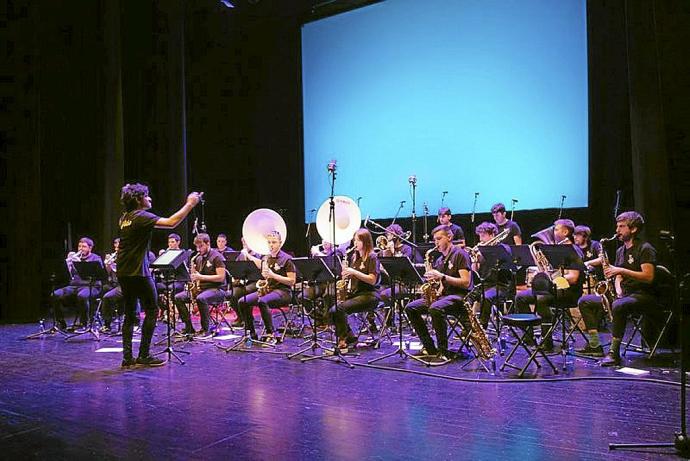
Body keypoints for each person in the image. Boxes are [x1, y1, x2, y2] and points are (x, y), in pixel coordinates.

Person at [117, 183, 201, 368]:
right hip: (138, 271)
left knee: (130, 314)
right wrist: (190, 203)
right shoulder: (141, 216)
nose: (150, 199)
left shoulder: (125, 217)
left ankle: (127, 357)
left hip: (123, 271)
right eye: (146, 196)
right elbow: (172, 222)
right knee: (153, 310)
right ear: (139, 199)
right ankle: (144, 355)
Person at [577, 212, 656, 366]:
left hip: (644, 295)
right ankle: (594, 345)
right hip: (625, 294)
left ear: (633, 229)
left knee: (619, 305)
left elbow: (648, 277)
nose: (617, 230)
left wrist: (620, 271)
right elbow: (618, 276)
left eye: (621, 226)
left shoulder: (645, 248)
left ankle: (614, 353)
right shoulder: (621, 251)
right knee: (585, 301)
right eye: (617, 226)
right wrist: (618, 290)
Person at [514, 218, 584, 351]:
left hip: (569, 292)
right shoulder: (555, 250)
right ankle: (529, 337)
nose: (553, 231)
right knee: (520, 297)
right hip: (554, 288)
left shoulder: (573, 251)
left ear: (565, 232)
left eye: (556, 229)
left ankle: (547, 341)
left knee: (542, 298)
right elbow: (551, 272)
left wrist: (550, 280)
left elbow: (573, 278)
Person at [405, 225, 473, 360]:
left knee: (435, 308)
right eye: (434, 240)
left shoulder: (460, 254)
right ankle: (430, 347)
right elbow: (441, 285)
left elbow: (466, 282)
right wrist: (433, 286)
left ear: (449, 237)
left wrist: (441, 276)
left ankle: (443, 351)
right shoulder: (439, 260)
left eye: (439, 239)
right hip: (445, 296)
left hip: (460, 297)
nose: (436, 242)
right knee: (411, 308)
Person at [237, 230, 296, 343]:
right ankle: (251, 332)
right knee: (242, 301)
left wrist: (273, 275)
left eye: (274, 242)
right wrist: (248, 255)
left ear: (280, 243)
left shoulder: (287, 259)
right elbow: (260, 264)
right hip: (269, 289)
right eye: (269, 242)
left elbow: (292, 281)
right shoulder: (266, 257)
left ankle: (271, 333)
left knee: (262, 301)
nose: (271, 245)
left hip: (283, 291)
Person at [329, 228, 381, 351]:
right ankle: (350, 337)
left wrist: (353, 272)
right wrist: (346, 276)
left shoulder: (372, 257)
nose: (355, 243)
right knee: (332, 310)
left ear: (366, 242)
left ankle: (342, 339)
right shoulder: (354, 257)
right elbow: (353, 276)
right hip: (356, 293)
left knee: (339, 308)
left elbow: (372, 280)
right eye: (354, 240)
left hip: (370, 295)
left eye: (358, 240)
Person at [174, 233, 227, 338]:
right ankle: (189, 327)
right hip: (201, 288)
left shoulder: (217, 257)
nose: (198, 249)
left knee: (201, 298)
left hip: (217, 289)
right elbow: (196, 276)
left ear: (208, 243)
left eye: (201, 246)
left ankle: (205, 329)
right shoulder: (197, 258)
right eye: (197, 247)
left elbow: (221, 277)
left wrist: (201, 277)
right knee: (178, 297)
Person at [470, 222, 515, 329]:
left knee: (486, 297)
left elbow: (508, 265)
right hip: (484, 284)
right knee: (466, 298)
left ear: (492, 235)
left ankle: (482, 327)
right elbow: (475, 272)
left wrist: (488, 252)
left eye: (483, 235)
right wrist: (475, 260)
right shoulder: (481, 250)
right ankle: (468, 327)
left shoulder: (503, 248)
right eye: (479, 236)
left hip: (500, 285)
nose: (481, 239)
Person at [53, 237, 104, 330]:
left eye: (84, 246)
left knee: (82, 296)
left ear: (90, 248)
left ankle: (84, 323)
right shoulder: (74, 258)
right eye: (79, 246)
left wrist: (79, 263)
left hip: (91, 286)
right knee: (55, 294)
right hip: (74, 285)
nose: (81, 249)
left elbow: (100, 274)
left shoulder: (96, 258)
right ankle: (60, 322)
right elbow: (70, 274)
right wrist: (69, 263)